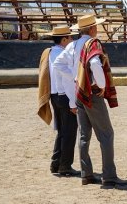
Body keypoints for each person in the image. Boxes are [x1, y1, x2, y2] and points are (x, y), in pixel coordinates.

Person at [70, 14, 127, 186]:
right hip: (92, 93)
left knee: (83, 135)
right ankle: (109, 176)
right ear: (93, 29)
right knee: (106, 134)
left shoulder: (74, 45)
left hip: (79, 91)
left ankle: (86, 174)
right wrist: (102, 85)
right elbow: (95, 64)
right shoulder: (93, 43)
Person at [37, 26, 79, 176]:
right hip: (64, 95)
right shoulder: (63, 54)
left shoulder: (49, 53)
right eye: (70, 37)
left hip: (54, 95)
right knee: (69, 131)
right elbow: (67, 81)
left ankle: (56, 163)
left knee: (62, 130)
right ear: (64, 39)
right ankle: (65, 165)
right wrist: (73, 102)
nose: (72, 40)